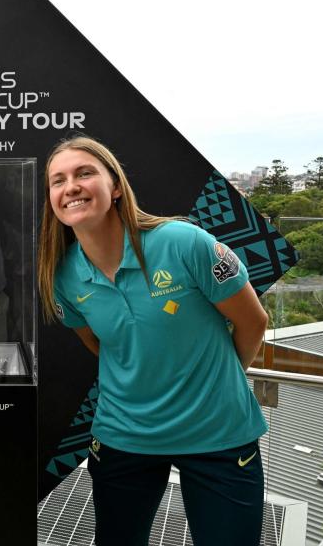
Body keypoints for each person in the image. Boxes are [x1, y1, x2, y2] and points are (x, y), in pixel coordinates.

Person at [37, 136, 269, 546]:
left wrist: (215, 385)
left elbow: (253, 322)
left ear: (116, 188)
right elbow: (103, 345)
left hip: (219, 435)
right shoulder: (63, 277)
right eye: (58, 180)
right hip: (124, 438)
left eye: (84, 173)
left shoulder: (184, 242)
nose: (70, 186)